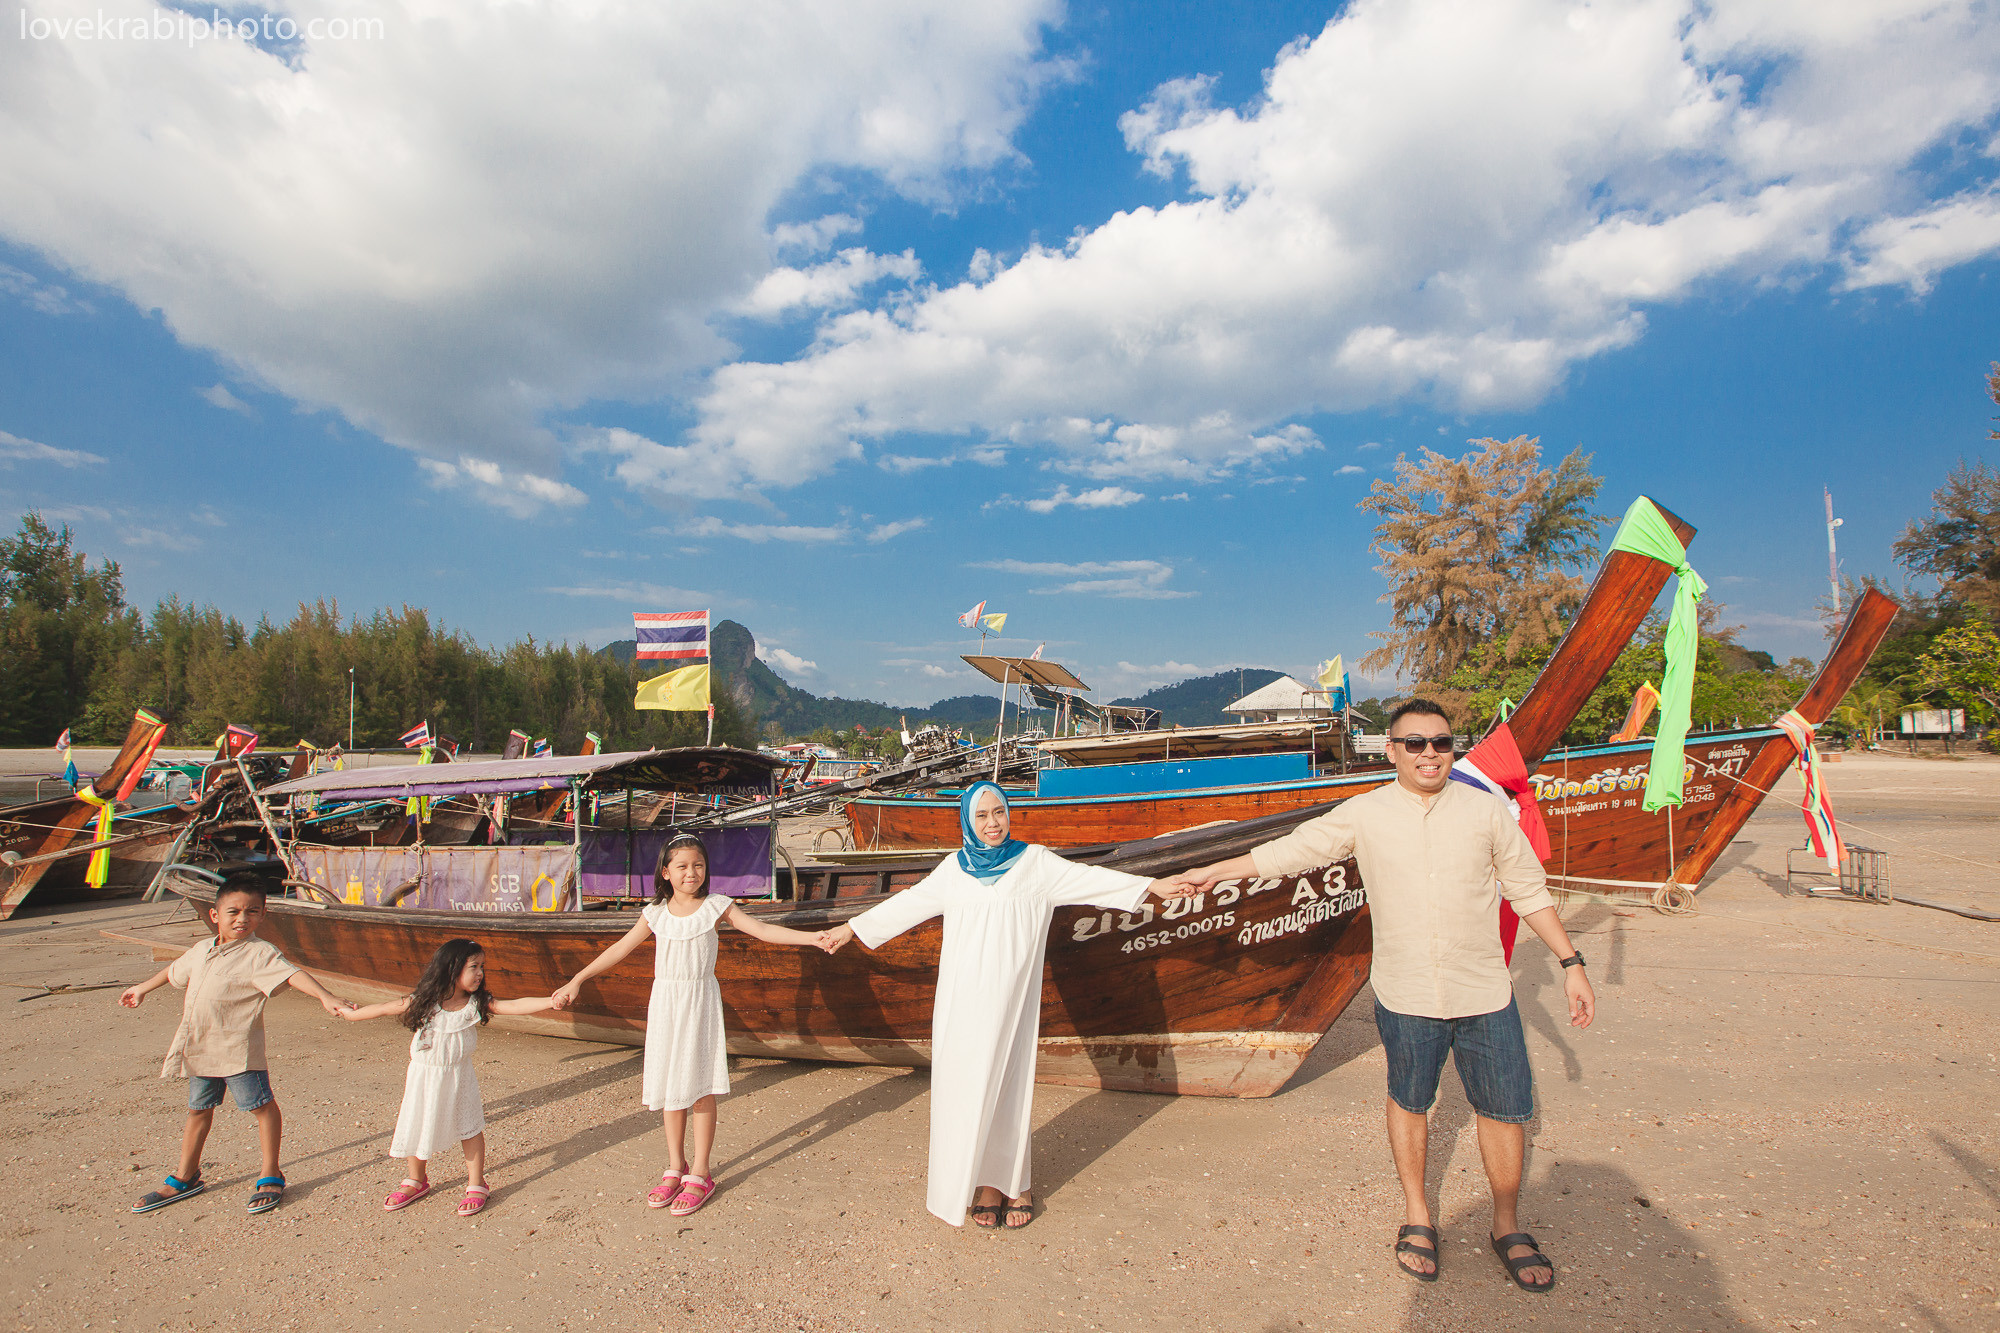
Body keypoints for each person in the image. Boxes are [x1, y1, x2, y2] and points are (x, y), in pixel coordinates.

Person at [1178, 700, 1595, 1292]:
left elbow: (1528, 890)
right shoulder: (1365, 813)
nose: (1430, 754)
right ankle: (1418, 1216)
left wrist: (1571, 964)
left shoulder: (1484, 810)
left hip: (1484, 990)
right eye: (1415, 743)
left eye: (1442, 743)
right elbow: (1291, 852)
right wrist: (1215, 872)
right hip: (1406, 993)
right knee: (1410, 1099)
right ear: (1393, 752)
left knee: (1505, 1109)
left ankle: (1506, 1223)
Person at [820, 781, 1191, 1230]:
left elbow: (1093, 880)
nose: (992, 823)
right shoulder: (953, 870)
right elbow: (907, 905)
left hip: (1012, 1000)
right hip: (961, 1001)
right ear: (966, 820)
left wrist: (1153, 885)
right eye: (981, 815)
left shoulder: (1035, 863)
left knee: (1009, 1088)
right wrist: (851, 929)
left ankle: (1016, 1184)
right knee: (964, 1089)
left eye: (999, 812)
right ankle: (985, 1184)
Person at [552, 831, 839, 1216]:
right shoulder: (654, 913)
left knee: (701, 1089)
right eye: (683, 866)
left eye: (698, 865)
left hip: (700, 1003)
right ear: (666, 872)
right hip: (665, 1005)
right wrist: (577, 979)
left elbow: (763, 930)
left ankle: (701, 1172)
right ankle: (675, 1166)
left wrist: (813, 939)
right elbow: (619, 948)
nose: (691, 873)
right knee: (670, 1086)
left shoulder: (717, 906)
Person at [120, 871, 351, 1216]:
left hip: (238, 1051)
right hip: (200, 1048)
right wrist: (141, 988)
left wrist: (325, 996)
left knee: (261, 1107)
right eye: (234, 911)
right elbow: (174, 971)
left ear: (263, 914)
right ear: (215, 914)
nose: (243, 918)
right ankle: (185, 1176)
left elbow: (292, 974)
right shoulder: (201, 949)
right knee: (198, 1109)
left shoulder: (260, 953)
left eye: (252, 911)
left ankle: (271, 1173)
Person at [342, 938, 557, 1216]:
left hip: (458, 1075)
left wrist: (551, 1001)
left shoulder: (475, 1004)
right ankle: (416, 1180)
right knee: (417, 1121)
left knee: (469, 1126)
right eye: (474, 966)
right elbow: (383, 1007)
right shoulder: (425, 1002)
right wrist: (350, 1015)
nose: (480, 973)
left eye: (482, 967)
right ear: (451, 968)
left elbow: (513, 1006)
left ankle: (477, 1183)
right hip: (422, 1075)